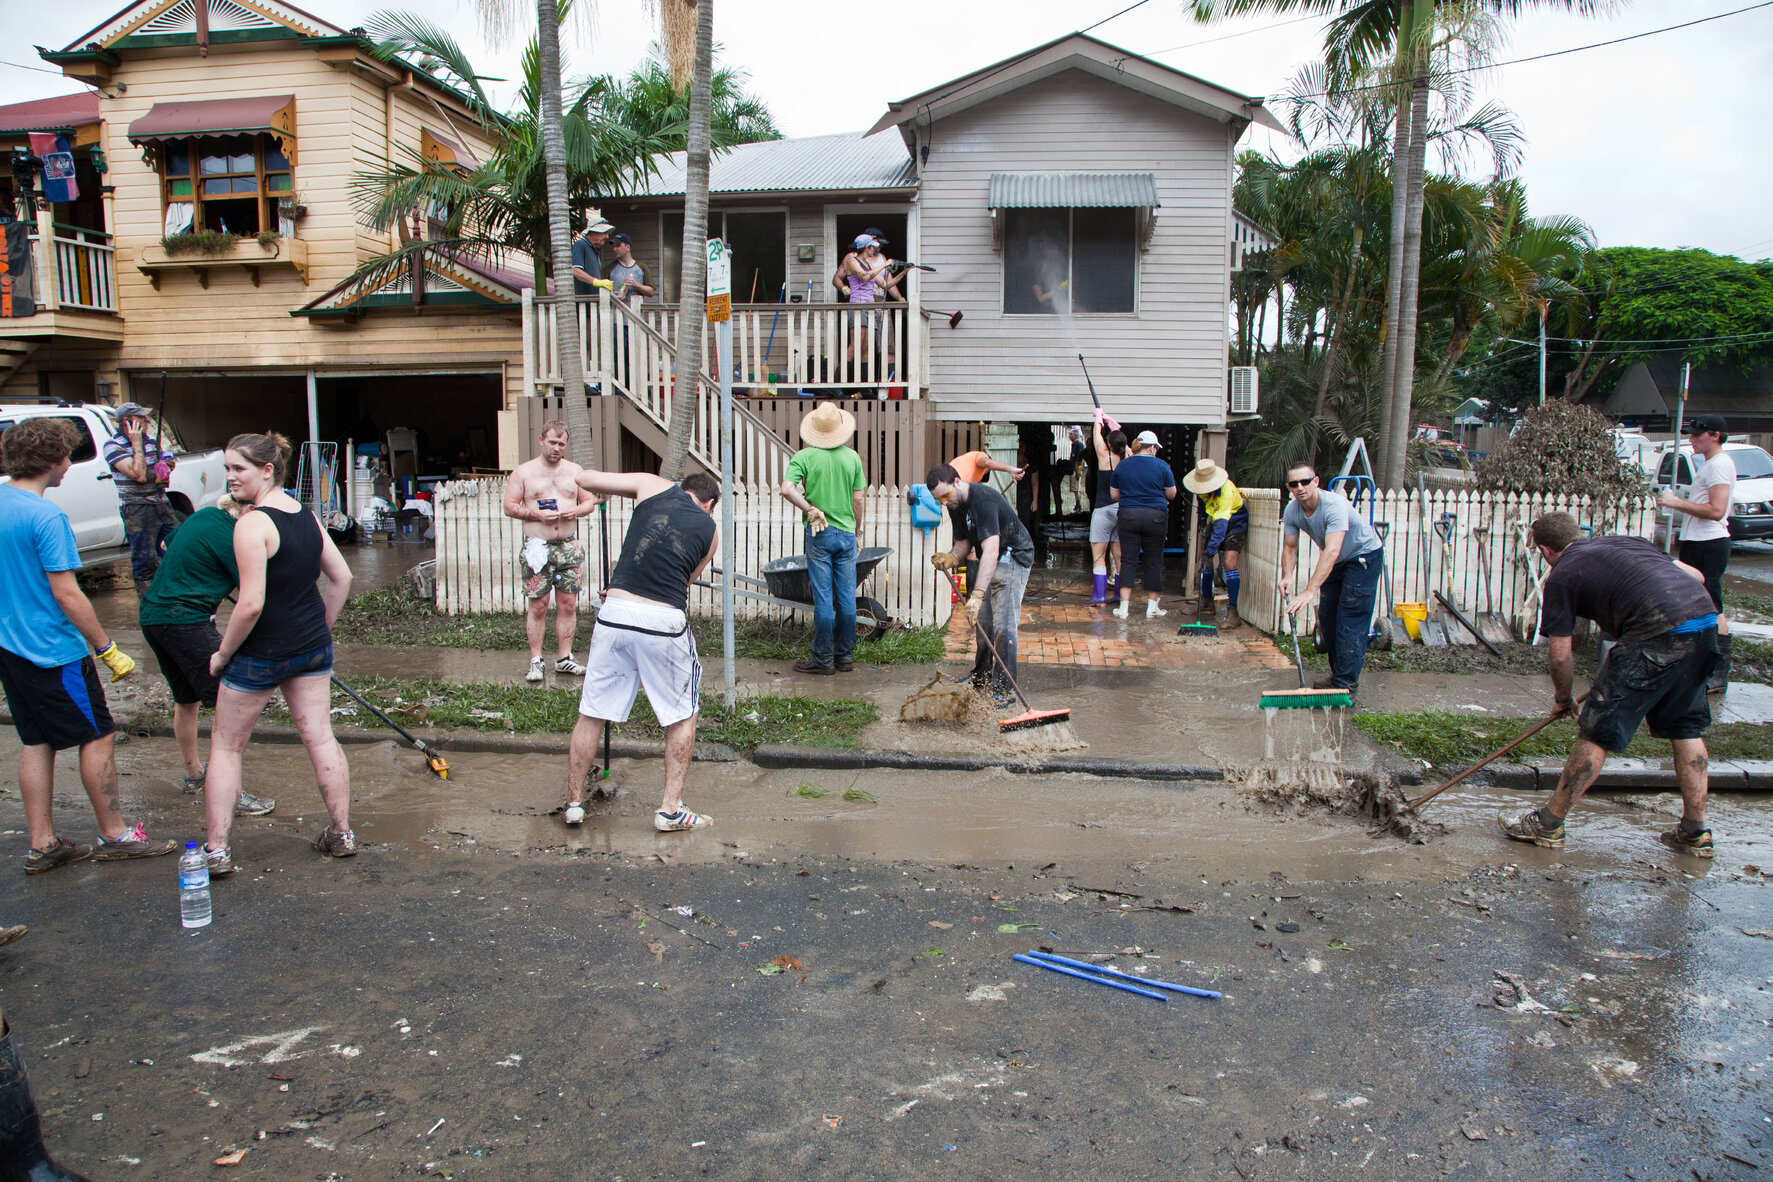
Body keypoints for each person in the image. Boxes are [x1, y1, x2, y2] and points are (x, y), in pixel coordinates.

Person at [0, 417, 176, 874]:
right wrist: (104, 647)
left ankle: (44, 843)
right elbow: (66, 593)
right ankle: (114, 835)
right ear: (56, 460)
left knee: (37, 740)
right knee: (97, 734)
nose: (68, 465)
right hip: (53, 651)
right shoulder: (45, 516)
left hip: (10, 648)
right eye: (68, 456)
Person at [1500, 513, 1720, 857]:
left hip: (1654, 634)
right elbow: (1697, 575)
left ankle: (1547, 825)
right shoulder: (1626, 541)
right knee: (1685, 729)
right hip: (1704, 625)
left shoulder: (1563, 575)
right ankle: (1695, 833)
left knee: (1597, 730)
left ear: (1545, 550)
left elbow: (1560, 653)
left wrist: (1563, 698)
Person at [204, 433, 356, 874]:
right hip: (311, 650)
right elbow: (342, 578)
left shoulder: (252, 524)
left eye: (239, 469)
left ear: (268, 470)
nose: (230, 477)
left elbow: (249, 604)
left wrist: (221, 654)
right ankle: (342, 833)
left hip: (260, 652)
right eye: (227, 469)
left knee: (227, 747)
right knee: (321, 737)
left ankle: (216, 851)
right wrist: (319, 631)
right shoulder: (306, 515)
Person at [563, 470, 721, 831]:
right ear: (709, 503)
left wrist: (599, 493)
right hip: (662, 620)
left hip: (615, 611)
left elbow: (585, 478)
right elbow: (683, 582)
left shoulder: (651, 484)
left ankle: (573, 803)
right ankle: (670, 810)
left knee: (592, 711)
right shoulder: (710, 532)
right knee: (682, 715)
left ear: (683, 488)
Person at [137, 494, 275, 816]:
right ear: (247, 512)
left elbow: (166, 547)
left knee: (186, 700)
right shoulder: (235, 537)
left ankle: (194, 774)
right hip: (185, 619)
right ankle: (232, 793)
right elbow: (254, 595)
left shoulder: (202, 517)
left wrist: (203, 569)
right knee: (230, 703)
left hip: (153, 617)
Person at [926, 462, 1035, 703]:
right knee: (983, 624)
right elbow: (964, 541)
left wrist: (977, 595)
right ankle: (982, 676)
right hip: (993, 558)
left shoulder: (983, 500)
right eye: (938, 500)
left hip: (1014, 557)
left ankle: (1004, 691)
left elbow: (991, 551)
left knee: (1003, 626)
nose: (943, 503)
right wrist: (952, 556)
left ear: (957, 482)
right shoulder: (954, 504)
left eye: (944, 496)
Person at [1279, 461, 1385, 697]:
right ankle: (1339, 677)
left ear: (1316, 481)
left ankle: (1345, 686)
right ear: (1289, 487)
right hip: (1338, 562)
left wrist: (1308, 591)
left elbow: (1332, 550)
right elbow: (1290, 547)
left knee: (1350, 618)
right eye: (1294, 483)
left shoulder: (1334, 506)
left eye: (1305, 481)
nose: (1300, 487)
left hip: (1362, 558)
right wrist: (1286, 576)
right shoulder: (1292, 510)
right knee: (1327, 617)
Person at [503, 421, 595, 682]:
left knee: (568, 603)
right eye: (553, 442)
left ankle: (565, 658)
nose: (557, 448)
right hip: (538, 547)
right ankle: (536, 660)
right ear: (541, 440)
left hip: (568, 545)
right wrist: (534, 513)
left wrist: (575, 510)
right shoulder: (523, 472)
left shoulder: (575, 471)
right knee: (539, 605)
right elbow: (509, 506)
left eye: (562, 444)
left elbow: (588, 502)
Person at [778, 402, 866, 675]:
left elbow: (786, 489)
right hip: (846, 535)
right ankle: (844, 657)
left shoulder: (803, 457)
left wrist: (809, 509)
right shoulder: (852, 458)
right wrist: (857, 531)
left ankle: (823, 660)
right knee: (847, 598)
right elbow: (859, 499)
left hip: (819, 533)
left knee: (824, 598)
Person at [1658, 414, 1736, 695]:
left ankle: (1717, 674)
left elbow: (1717, 511)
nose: (1691, 439)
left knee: (1712, 605)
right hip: (1698, 541)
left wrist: (1677, 502)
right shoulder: (1710, 464)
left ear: (1715, 435)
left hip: (1709, 543)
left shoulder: (1719, 465)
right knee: (1699, 602)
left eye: (1696, 434)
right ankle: (1698, 665)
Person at [103, 400, 180, 597]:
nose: (146, 421)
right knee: (145, 560)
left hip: (161, 502)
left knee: (176, 548)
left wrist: (162, 466)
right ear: (127, 422)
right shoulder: (113, 446)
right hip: (137, 508)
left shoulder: (151, 442)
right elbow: (138, 475)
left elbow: (165, 467)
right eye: (141, 418)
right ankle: (148, 604)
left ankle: (173, 596)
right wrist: (136, 444)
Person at [1109, 430, 1177, 619]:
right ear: (1153, 448)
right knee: (1154, 560)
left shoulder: (1123, 466)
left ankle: (1124, 608)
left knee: (1128, 560)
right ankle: (1152, 607)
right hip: (1155, 517)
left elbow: (1114, 495)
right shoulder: (1162, 466)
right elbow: (1171, 494)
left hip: (1128, 515)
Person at [1183, 458, 1250, 628]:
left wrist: (1210, 550)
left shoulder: (1225, 492)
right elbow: (1201, 507)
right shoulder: (1200, 488)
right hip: (1216, 520)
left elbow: (1221, 529)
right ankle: (1207, 604)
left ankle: (1233, 613)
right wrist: (1203, 522)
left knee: (1228, 562)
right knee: (1205, 562)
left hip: (1235, 520)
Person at [1088, 417, 1127, 605]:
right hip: (1122, 510)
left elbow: (1097, 438)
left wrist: (1098, 419)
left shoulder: (1105, 457)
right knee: (1119, 556)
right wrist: (1114, 425)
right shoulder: (1128, 457)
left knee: (1099, 555)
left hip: (1103, 509)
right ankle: (1120, 595)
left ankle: (1099, 596)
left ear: (1109, 444)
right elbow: (1125, 444)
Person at [571, 208, 615, 296]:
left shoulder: (595, 250)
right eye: (604, 232)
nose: (607, 237)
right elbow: (575, 270)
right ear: (591, 233)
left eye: (607, 233)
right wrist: (596, 282)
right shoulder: (580, 245)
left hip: (593, 304)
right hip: (582, 303)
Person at [607, 233, 653, 304]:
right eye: (613, 246)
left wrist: (636, 284)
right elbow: (600, 291)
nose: (615, 249)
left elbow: (650, 292)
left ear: (628, 247)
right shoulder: (609, 268)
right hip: (615, 313)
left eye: (618, 246)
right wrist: (611, 295)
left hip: (635, 313)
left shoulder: (641, 267)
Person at [949, 448, 1024, 488]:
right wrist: (1011, 469)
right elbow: (986, 462)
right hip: (952, 493)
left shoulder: (959, 461)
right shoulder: (980, 456)